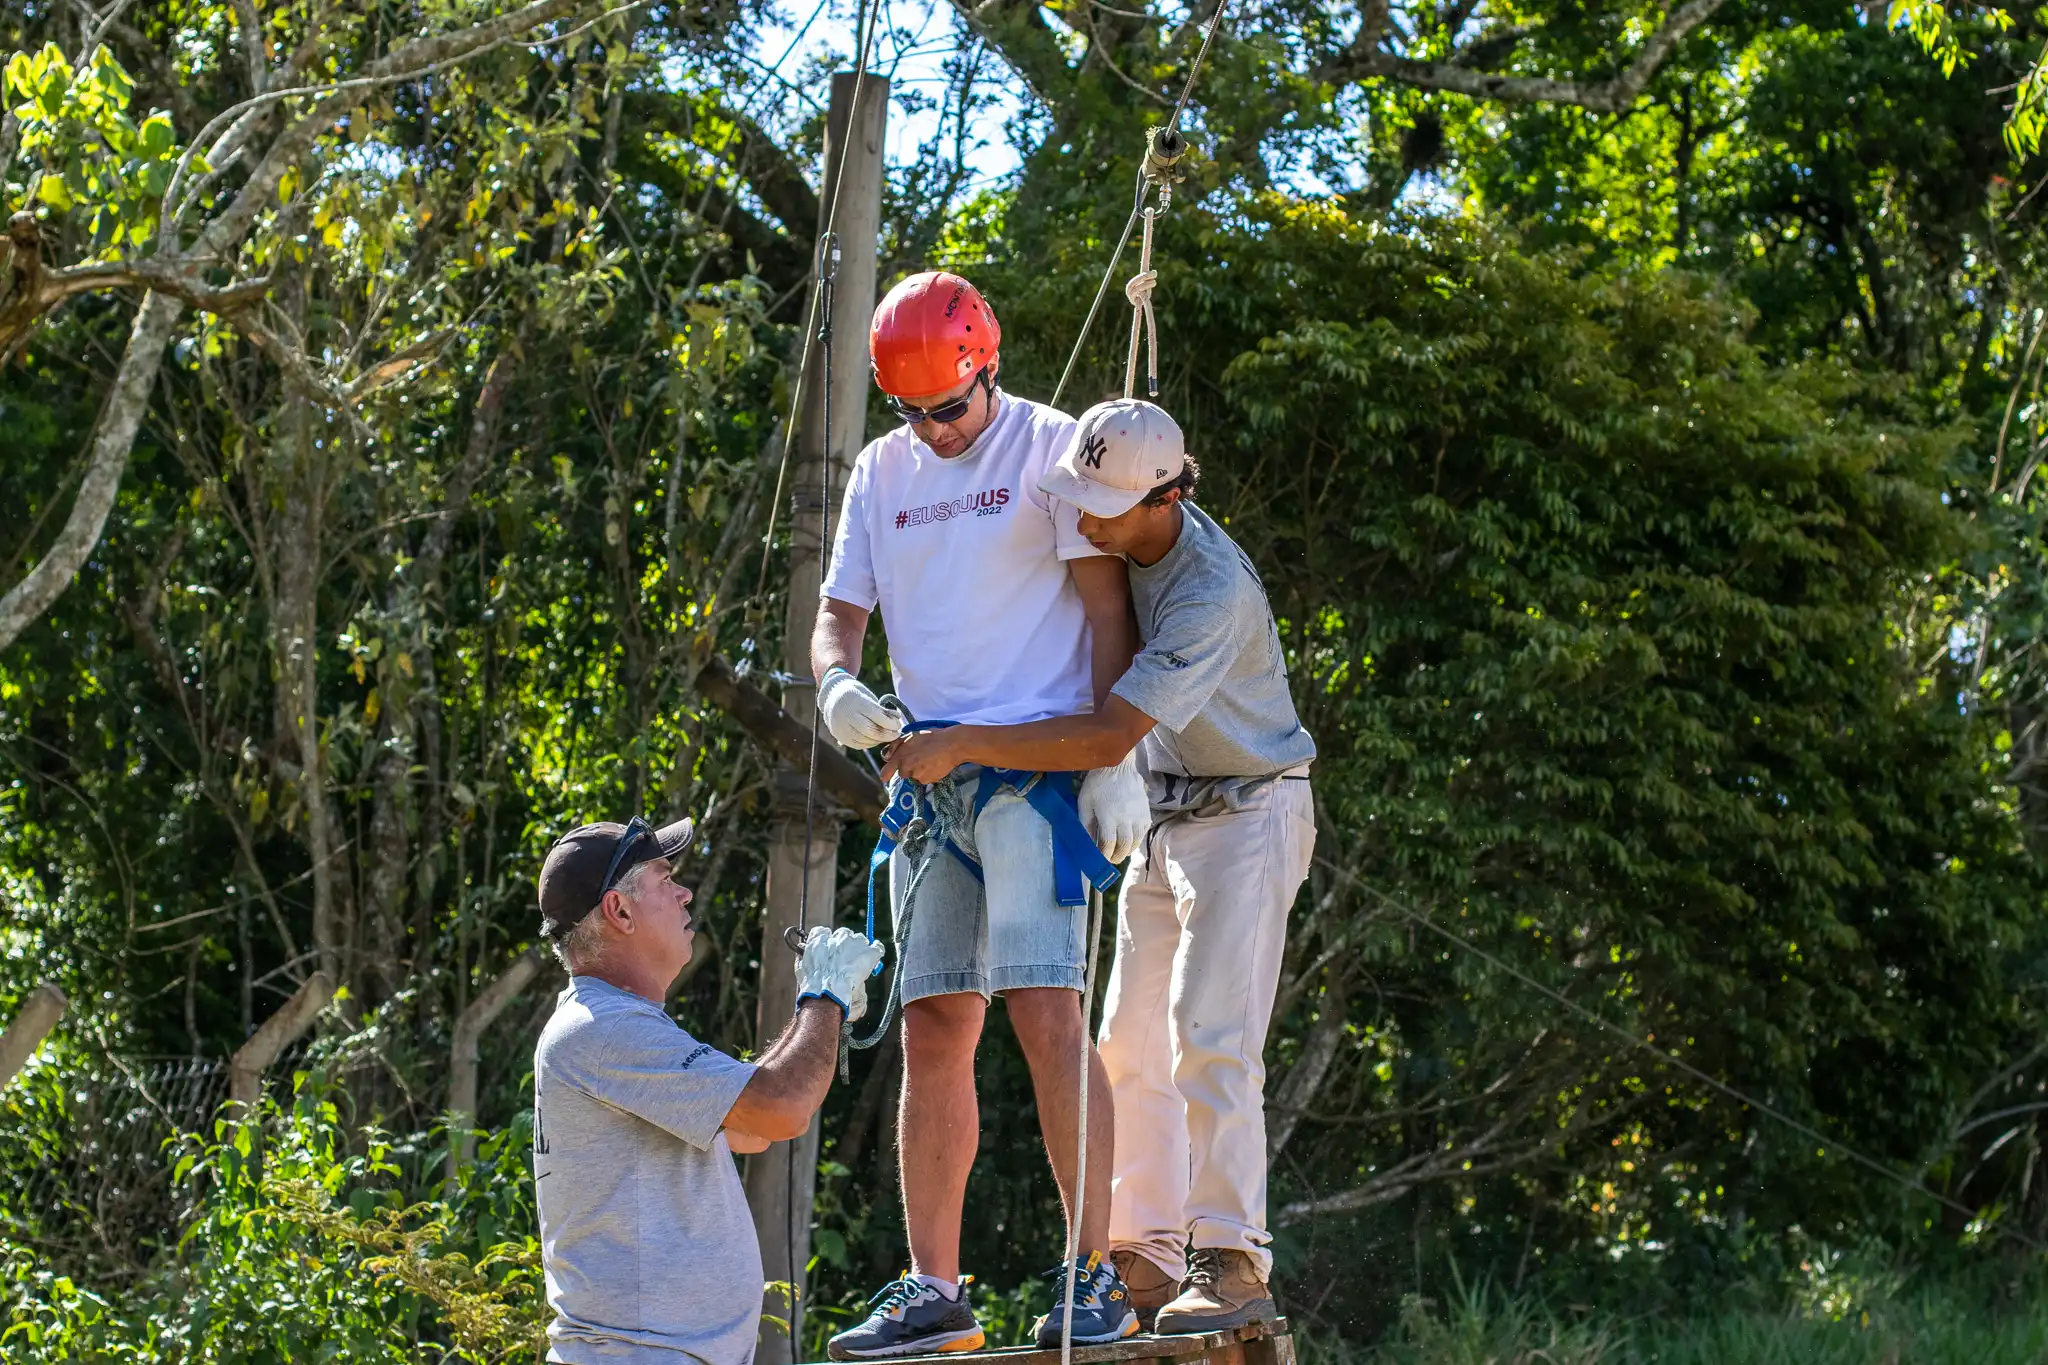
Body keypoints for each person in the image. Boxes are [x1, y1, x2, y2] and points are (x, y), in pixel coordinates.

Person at [886, 399, 1317, 1332]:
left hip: (1248, 807)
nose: (1081, 517)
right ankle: (1146, 1255)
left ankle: (1232, 1258)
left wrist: (960, 742)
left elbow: (1113, 728)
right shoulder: (1125, 528)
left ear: (1162, 499)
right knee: (1128, 1041)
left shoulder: (1208, 592)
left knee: (1212, 1030)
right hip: (1160, 807)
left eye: (1099, 505)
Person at [815, 272, 1151, 1355]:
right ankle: (933, 1286)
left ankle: (1089, 1270)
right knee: (931, 1026)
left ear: (985, 369)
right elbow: (838, 613)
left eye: (947, 408)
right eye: (910, 412)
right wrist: (835, 686)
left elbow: (1107, 608)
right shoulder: (881, 471)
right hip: (926, 785)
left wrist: (1113, 754)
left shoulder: (1052, 450)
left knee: (1044, 1011)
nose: (933, 430)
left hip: (1034, 773)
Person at [532, 815, 885, 1364]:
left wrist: (816, 1011)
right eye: (664, 877)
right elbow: (783, 1110)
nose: (684, 891)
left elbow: (749, 1126)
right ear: (618, 911)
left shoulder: (615, 1027)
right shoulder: (605, 1030)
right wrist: (825, 998)